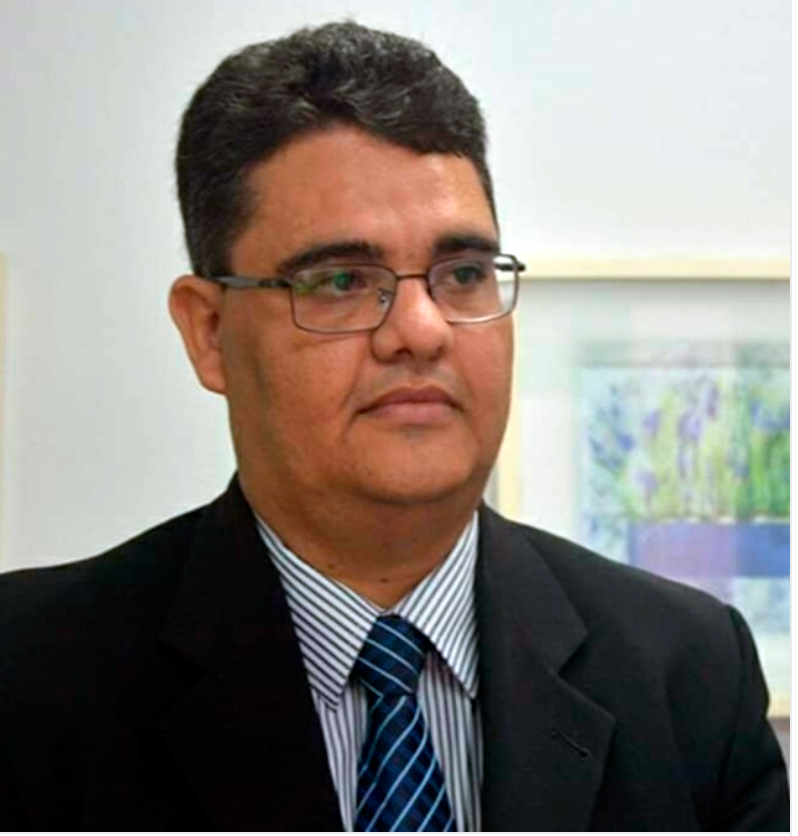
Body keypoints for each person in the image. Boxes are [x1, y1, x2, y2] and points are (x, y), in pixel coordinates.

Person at [0, 20, 788, 832]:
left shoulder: (688, 673)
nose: (421, 328)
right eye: (342, 280)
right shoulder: (28, 677)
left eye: (463, 273)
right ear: (210, 333)